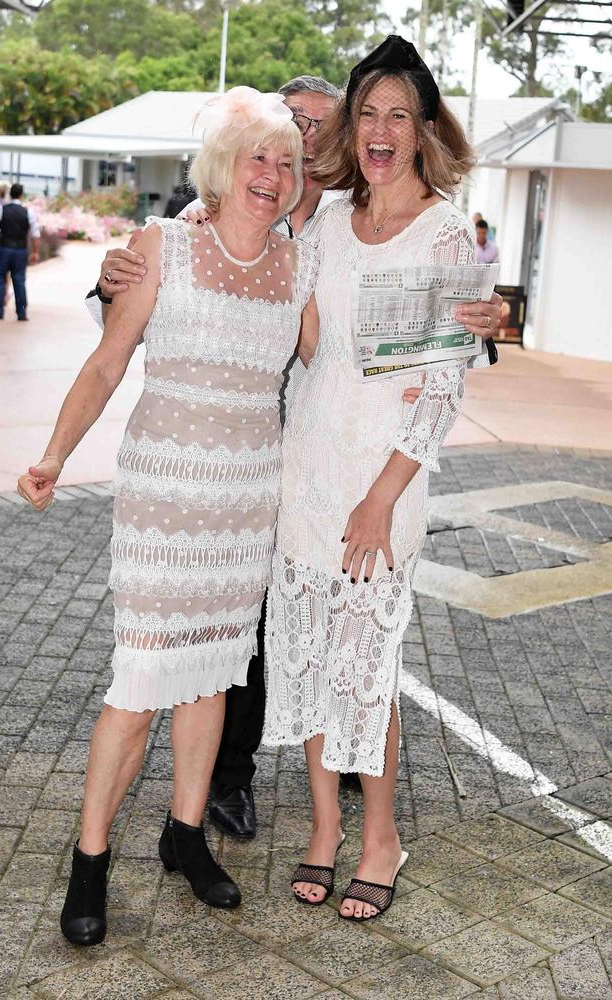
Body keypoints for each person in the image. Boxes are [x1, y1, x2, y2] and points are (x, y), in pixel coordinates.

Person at [88, 74, 503, 834]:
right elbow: (163, 271)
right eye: (294, 126)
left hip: (319, 457)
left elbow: (436, 346)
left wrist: (486, 307)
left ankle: (353, 803)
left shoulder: (343, 218)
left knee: (334, 648)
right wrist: (110, 278)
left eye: (316, 126)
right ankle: (229, 785)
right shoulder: (235, 210)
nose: (304, 141)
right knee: (262, 643)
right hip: (249, 466)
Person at [16, 87, 317, 946]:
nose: (272, 173)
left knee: (216, 673)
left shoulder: (302, 270)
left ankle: (185, 836)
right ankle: (90, 858)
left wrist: (467, 327)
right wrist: (52, 455)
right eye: (257, 157)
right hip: (162, 501)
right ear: (222, 169)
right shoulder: (161, 250)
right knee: (139, 685)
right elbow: (108, 362)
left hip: (244, 505)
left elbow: (350, 357)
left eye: (286, 163)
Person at [262, 35, 492, 923]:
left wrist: (380, 498)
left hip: (383, 476)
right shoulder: (326, 223)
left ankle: (380, 838)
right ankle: (324, 830)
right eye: (369, 113)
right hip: (310, 461)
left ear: (423, 127)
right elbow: (311, 342)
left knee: (365, 663)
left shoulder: (448, 232)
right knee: (313, 649)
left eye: (400, 114)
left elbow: (441, 389)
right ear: (353, 128)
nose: (381, 130)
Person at [0, 182, 40, 322]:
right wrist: (35, 252)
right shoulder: (29, 212)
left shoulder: (0, 210)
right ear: (21, 195)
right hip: (20, 250)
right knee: (19, 280)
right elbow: (35, 234)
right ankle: (21, 313)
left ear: (11, 194)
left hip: (4, 249)